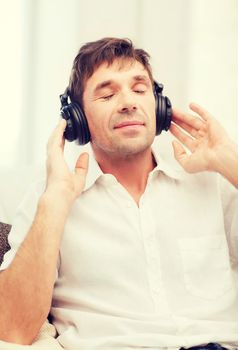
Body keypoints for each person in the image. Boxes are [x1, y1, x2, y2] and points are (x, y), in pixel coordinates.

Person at [0, 37, 238, 350]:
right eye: (108, 94)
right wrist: (54, 204)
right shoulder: (50, 197)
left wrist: (232, 163)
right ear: (77, 120)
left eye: (140, 89)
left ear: (159, 106)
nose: (128, 102)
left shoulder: (212, 181)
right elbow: (12, 330)